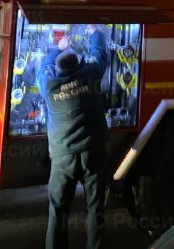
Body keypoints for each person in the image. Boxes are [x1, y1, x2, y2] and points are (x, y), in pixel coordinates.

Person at [37, 24, 110, 249]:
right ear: (80, 65)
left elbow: (43, 68)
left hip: (62, 160)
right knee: (95, 208)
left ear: (57, 72)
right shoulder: (90, 76)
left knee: (58, 212)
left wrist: (56, 48)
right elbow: (99, 55)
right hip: (93, 154)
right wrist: (95, 33)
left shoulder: (48, 86)